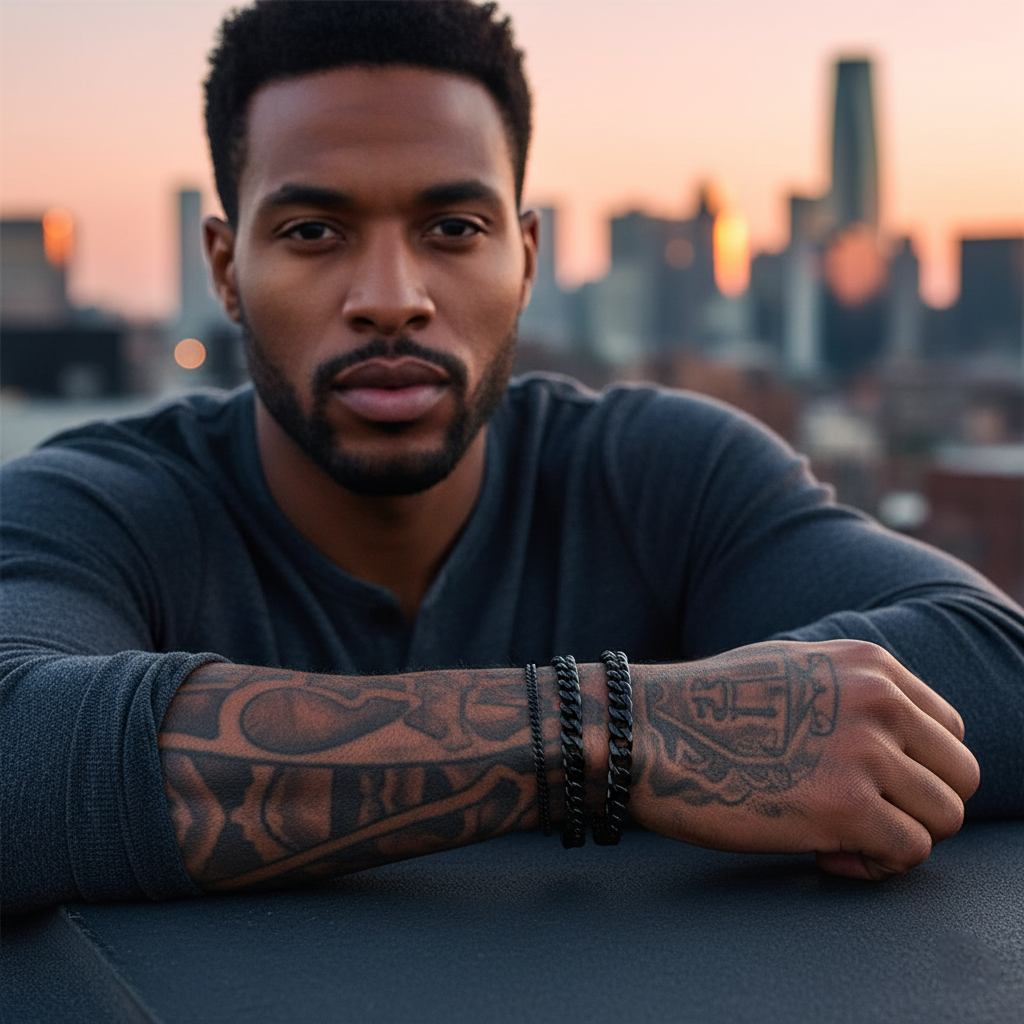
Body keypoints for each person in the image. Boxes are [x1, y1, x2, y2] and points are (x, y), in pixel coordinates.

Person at [1, 0, 1021, 918]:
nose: (391, 297)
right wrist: (615, 732)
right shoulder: (97, 501)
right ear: (227, 269)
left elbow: (994, 660)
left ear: (525, 257)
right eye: (314, 230)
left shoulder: (658, 470)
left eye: (453, 227)